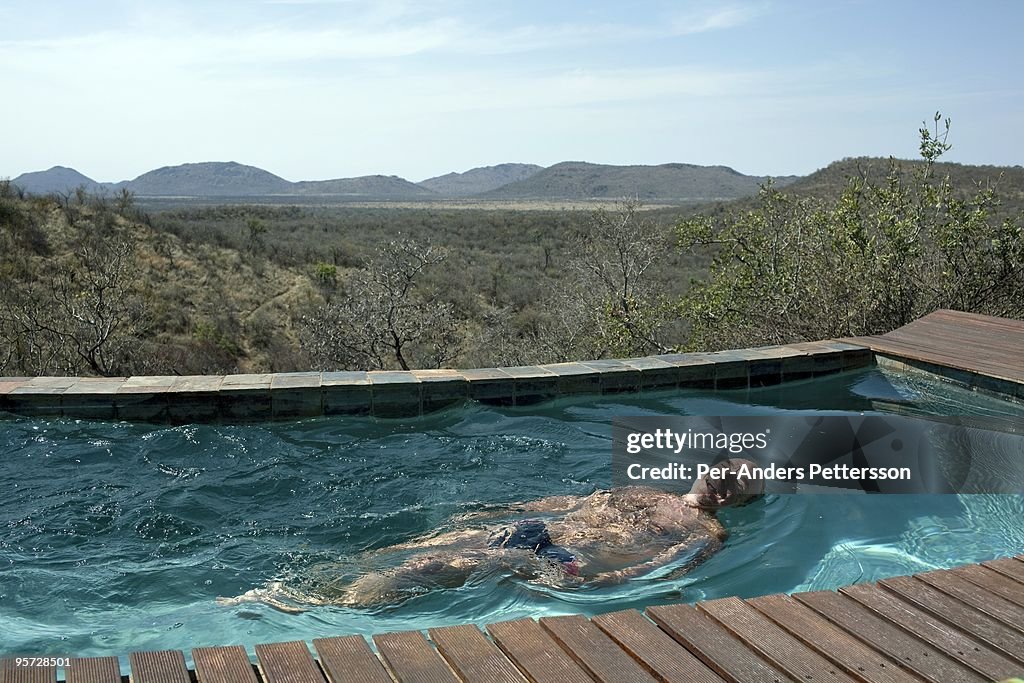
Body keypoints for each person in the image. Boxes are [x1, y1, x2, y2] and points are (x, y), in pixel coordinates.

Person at [220, 458, 764, 611]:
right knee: (416, 551)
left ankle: (310, 605)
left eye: (741, 481)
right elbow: (572, 502)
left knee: (435, 567)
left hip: (565, 552)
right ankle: (308, 592)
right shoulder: (645, 490)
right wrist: (502, 508)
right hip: (546, 529)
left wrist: (598, 583)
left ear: (739, 500)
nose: (728, 478)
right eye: (728, 468)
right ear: (704, 469)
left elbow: (659, 569)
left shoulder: (710, 532)